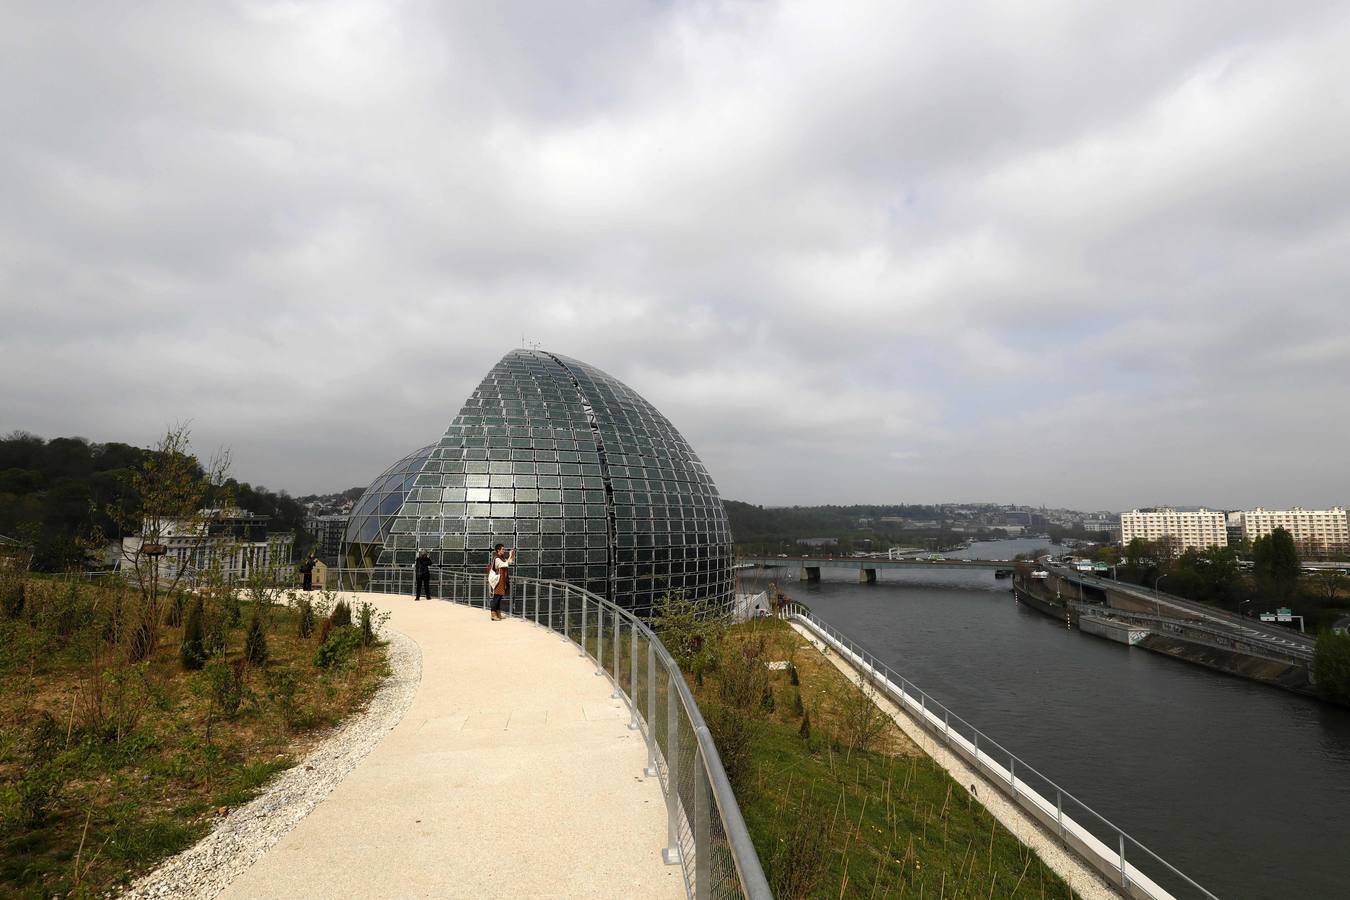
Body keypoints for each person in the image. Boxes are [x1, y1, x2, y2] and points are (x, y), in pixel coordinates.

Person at [487, 543, 514, 621]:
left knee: (499, 597)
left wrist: (511, 556)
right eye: (503, 549)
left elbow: (510, 562)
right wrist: (509, 556)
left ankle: (498, 613)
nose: (504, 550)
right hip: (498, 580)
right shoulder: (497, 559)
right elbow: (506, 564)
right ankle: (493, 614)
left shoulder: (501, 558)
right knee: (496, 597)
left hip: (502, 580)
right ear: (498, 550)